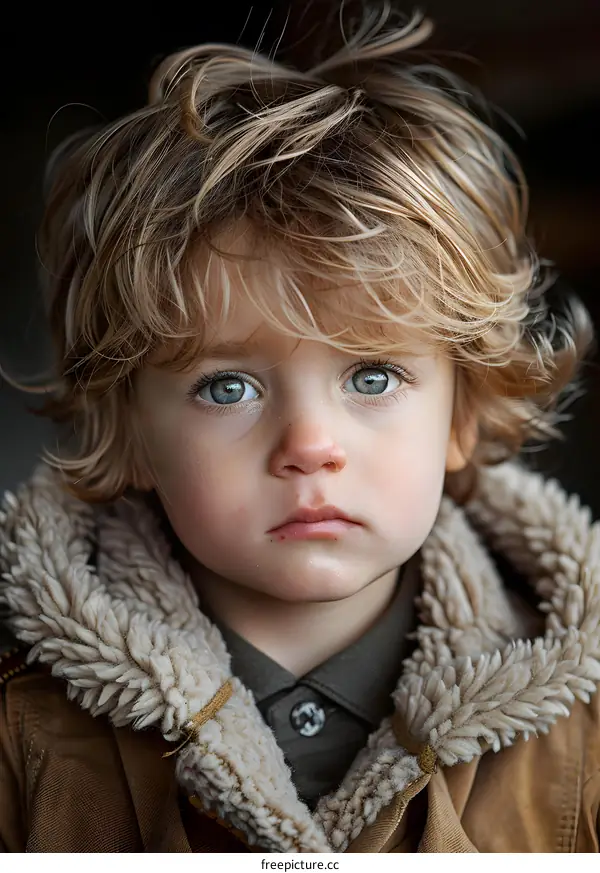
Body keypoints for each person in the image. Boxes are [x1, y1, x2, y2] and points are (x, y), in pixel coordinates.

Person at [1, 3, 599, 854]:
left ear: (462, 415)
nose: (310, 445)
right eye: (229, 386)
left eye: (372, 376)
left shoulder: (582, 721)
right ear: (130, 431)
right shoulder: (20, 720)